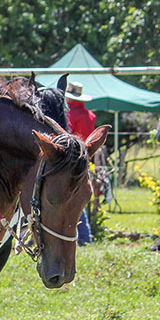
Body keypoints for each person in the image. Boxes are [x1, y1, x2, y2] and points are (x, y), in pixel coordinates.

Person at [66, 81, 95, 245]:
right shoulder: (89, 115)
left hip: (68, 160)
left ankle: (83, 236)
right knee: (78, 197)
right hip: (84, 159)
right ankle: (85, 235)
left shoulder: (69, 115)